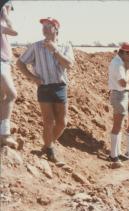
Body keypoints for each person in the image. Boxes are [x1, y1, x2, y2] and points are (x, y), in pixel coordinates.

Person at [17, 17, 74, 164]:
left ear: (56, 29)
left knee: (62, 122)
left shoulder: (65, 45)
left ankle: (47, 144)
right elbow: (20, 63)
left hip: (60, 86)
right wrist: (32, 77)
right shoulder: (36, 46)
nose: (45, 28)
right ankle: (49, 150)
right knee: (48, 121)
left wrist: (55, 51)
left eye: (48, 25)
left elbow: (69, 65)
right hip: (44, 87)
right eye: (43, 25)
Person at [107, 42, 129, 166]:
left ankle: (116, 152)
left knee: (120, 125)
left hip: (121, 95)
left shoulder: (120, 62)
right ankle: (113, 156)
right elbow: (123, 83)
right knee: (117, 125)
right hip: (119, 95)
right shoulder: (118, 64)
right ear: (123, 52)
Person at [0, 1, 18, 148]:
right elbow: (14, 31)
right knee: (11, 95)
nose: (11, 11)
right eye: (10, 8)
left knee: (2, 98)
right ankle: (4, 135)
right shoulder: (1, 23)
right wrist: (5, 15)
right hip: (1, 63)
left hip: (5, 63)